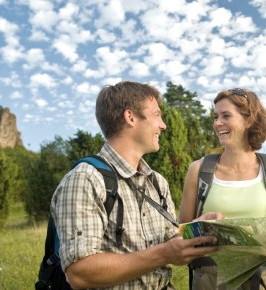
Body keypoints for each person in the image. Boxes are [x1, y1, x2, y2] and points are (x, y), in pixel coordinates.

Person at [51, 81, 223, 290]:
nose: (163, 125)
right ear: (130, 117)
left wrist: (198, 228)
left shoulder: (157, 182)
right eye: (156, 115)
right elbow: (80, 273)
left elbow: (170, 239)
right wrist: (163, 254)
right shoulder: (85, 179)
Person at [179, 88, 266, 290]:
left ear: (249, 120)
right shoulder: (199, 170)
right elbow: (181, 231)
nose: (217, 123)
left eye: (226, 116)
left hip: (261, 278)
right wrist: (201, 227)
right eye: (215, 117)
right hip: (210, 279)